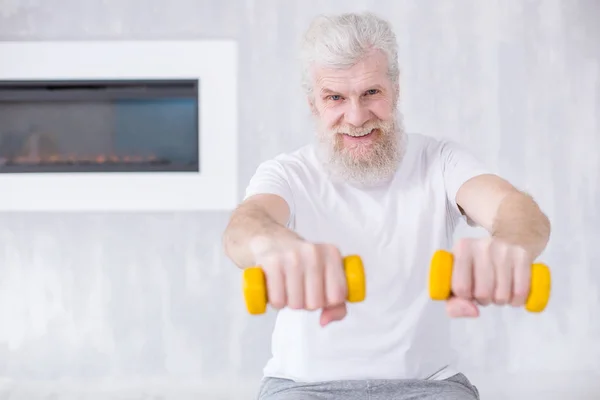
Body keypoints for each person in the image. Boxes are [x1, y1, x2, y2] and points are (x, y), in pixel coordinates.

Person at [222, 11, 551, 400]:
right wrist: (271, 246)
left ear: (395, 89)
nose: (357, 116)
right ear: (314, 104)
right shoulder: (287, 174)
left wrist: (509, 242)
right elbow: (246, 227)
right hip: (304, 388)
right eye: (335, 98)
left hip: (428, 387)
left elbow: (515, 209)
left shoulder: (441, 161)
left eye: (371, 93)